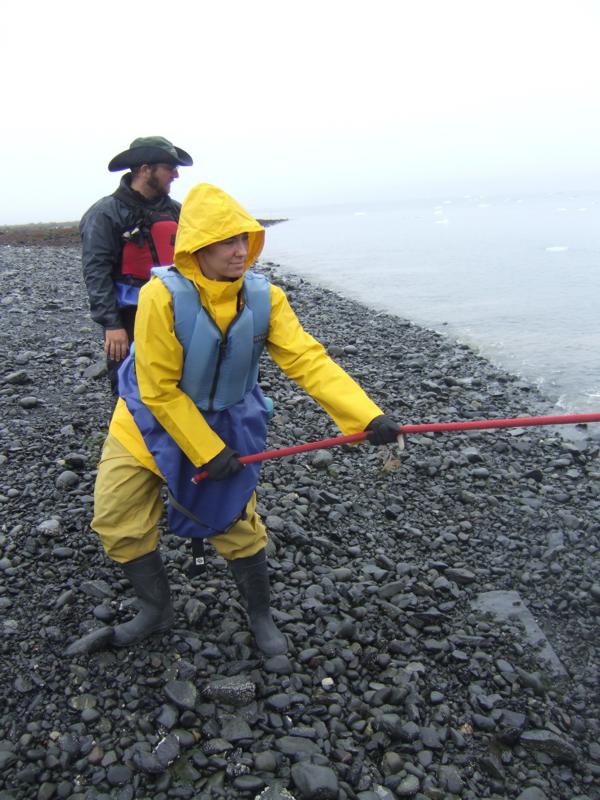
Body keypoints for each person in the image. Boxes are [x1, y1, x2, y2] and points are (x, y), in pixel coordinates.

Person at [90, 183, 402, 657]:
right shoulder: (161, 296)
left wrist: (368, 416)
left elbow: (307, 359)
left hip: (226, 423)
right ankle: (155, 610)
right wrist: (207, 451)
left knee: (236, 521)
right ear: (197, 246)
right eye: (226, 241)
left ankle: (260, 614)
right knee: (117, 517)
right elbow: (157, 388)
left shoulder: (264, 297)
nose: (240, 251)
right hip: (143, 420)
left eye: (244, 239)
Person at [79, 136, 193, 394]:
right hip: (130, 316)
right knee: (129, 386)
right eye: (169, 168)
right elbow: (96, 272)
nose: (176, 175)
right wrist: (112, 325)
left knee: (181, 383)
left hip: (179, 312)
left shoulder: (178, 212)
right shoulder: (105, 213)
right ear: (144, 169)